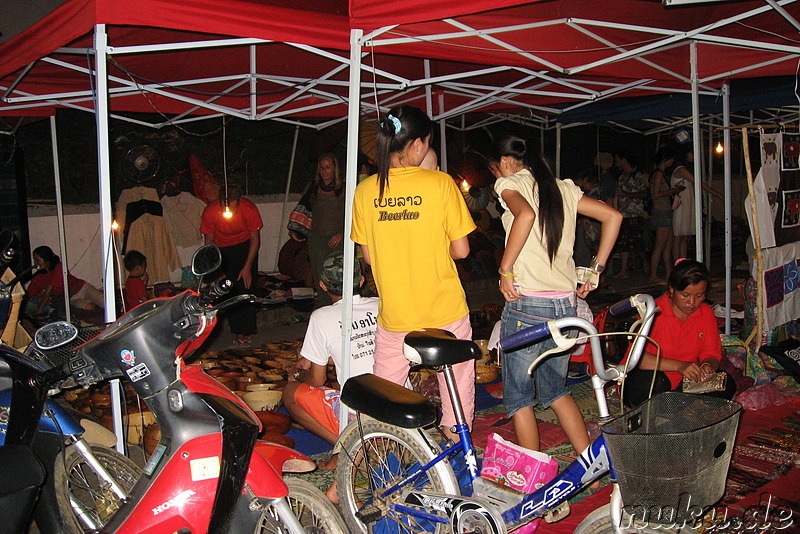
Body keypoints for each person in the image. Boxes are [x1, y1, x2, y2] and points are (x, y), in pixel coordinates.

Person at [487, 135, 622, 460]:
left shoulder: (508, 182)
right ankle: (590, 461)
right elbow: (613, 217)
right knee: (555, 391)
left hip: (527, 305)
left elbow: (525, 216)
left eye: (493, 168)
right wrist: (595, 270)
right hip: (566, 306)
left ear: (505, 162)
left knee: (520, 398)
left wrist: (505, 269)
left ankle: (533, 482)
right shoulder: (563, 187)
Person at [351, 105, 477, 442]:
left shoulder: (365, 191)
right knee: (458, 384)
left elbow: (368, 255)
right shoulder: (440, 184)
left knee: (383, 398)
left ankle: (364, 460)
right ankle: (457, 443)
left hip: (395, 314)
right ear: (419, 145)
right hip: (444, 310)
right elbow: (462, 250)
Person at [282, 253, 378, 462]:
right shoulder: (380, 304)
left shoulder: (321, 317)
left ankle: (344, 448)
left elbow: (317, 380)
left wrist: (298, 375)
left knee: (291, 392)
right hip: (397, 401)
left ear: (323, 286)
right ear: (361, 281)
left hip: (363, 414)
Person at [622, 259, 736, 407]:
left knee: (726, 382)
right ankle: (673, 407)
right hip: (651, 378)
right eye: (685, 295)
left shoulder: (706, 313)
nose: (692, 302)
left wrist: (707, 366)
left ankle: (676, 406)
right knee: (652, 383)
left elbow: (712, 353)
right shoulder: (653, 311)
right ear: (671, 289)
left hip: (685, 382)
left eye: (699, 296)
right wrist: (679, 366)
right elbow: (637, 358)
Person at [201, 182, 263, 346]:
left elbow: (255, 239)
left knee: (246, 289)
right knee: (230, 291)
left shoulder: (249, 209)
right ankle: (237, 333)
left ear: (239, 201)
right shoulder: (210, 211)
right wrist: (216, 269)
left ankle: (248, 331)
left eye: (233, 208)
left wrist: (247, 266)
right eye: (224, 208)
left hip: (245, 248)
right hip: (222, 250)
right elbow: (208, 243)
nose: (228, 211)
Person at [306, 153, 347, 307]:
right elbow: (304, 209)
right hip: (316, 237)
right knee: (319, 274)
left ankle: (340, 307)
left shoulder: (343, 188)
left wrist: (341, 234)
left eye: (328, 167)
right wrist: (297, 229)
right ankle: (325, 307)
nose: (324, 171)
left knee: (336, 274)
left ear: (334, 168)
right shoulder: (314, 187)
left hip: (336, 238)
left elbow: (352, 213)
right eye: (322, 167)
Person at [670, 149, 724, 261]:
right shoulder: (681, 170)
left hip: (687, 205)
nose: (693, 156)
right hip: (682, 205)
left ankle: (682, 261)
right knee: (678, 237)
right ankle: (676, 262)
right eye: (691, 153)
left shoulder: (684, 169)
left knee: (684, 237)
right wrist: (717, 193)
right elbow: (699, 183)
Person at [25, 245, 104, 318]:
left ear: (47, 260)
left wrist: (40, 310)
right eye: (34, 260)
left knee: (104, 303)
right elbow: (28, 295)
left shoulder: (59, 267)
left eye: (38, 260)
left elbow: (49, 289)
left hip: (82, 288)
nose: (35, 263)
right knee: (90, 307)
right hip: (71, 298)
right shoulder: (37, 278)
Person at [614, 149, 649, 279]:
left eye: (618, 160)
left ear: (624, 160)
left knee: (637, 243)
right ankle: (624, 270)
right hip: (623, 214)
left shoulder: (637, 175)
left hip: (635, 214)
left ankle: (645, 263)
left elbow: (644, 193)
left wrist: (627, 195)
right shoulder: (622, 176)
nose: (616, 163)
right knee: (624, 242)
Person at [648, 147, 677, 281]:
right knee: (660, 244)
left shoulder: (659, 173)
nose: (672, 162)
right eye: (670, 159)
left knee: (668, 244)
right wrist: (672, 191)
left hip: (665, 210)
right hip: (661, 210)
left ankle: (669, 272)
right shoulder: (658, 174)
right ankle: (653, 274)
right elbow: (656, 194)